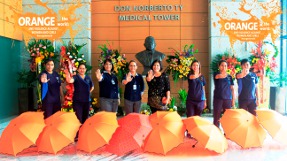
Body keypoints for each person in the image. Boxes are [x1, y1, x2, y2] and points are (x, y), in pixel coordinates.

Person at [213, 60, 235, 127]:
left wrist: (233, 99)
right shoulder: (216, 74)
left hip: (227, 99)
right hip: (218, 98)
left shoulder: (229, 77)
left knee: (227, 117)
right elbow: (219, 76)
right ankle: (216, 131)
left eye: (225, 66)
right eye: (222, 65)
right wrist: (227, 74)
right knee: (216, 116)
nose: (224, 67)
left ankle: (227, 132)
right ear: (219, 66)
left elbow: (232, 88)